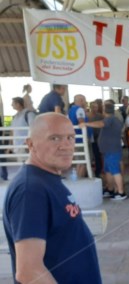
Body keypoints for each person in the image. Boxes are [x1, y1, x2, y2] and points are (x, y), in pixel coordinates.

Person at [2, 113, 102, 283]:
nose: (66, 145)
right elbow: (28, 271)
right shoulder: (31, 190)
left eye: (70, 137)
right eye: (55, 138)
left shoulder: (45, 178)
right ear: (31, 144)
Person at [81, 103, 126, 200]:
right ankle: (110, 189)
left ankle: (121, 192)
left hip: (112, 150)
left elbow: (101, 124)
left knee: (115, 171)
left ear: (104, 110)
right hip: (109, 150)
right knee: (108, 171)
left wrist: (86, 124)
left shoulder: (110, 119)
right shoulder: (114, 119)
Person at [68, 94, 92, 178]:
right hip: (81, 139)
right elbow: (81, 122)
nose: (85, 102)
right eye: (84, 100)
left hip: (75, 138)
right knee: (83, 162)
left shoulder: (70, 110)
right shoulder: (80, 110)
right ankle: (81, 180)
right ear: (81, 100)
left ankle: (78, 179)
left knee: (79, 161)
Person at [10, 97, 36, 162]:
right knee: (22, 165)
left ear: (18, 104)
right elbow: (13, 131)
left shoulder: (29, 114)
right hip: (17, 146)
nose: (11, 105)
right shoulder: (15, 117)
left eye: (13, 103)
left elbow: (34, 127)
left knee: (27, 165)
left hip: (25, 145)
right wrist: (11, 145)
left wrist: (27, 143)